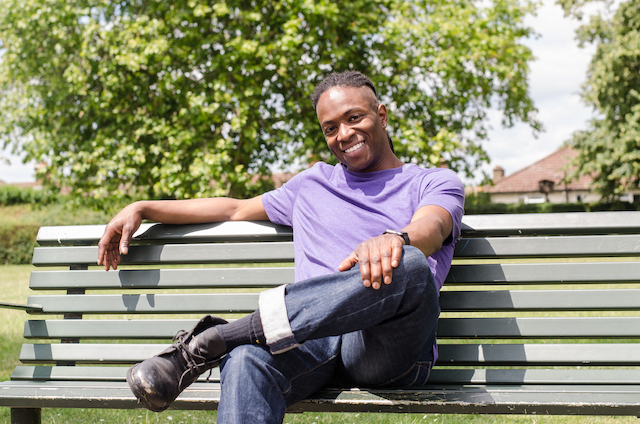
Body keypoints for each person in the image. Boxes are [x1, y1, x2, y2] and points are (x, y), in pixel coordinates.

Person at [97, 71, 465, 423]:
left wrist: (393, 240)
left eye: (354, 118)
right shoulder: (312, 184)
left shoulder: (433, 182)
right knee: (245, 360)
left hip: (385, 348)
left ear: (381, 116)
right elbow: (235, 208)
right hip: (309, 342)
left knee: (410, 262)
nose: (344, 133)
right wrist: (142, 208)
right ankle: (231, 343)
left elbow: (430, 227)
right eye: (331, 128)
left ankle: (218, 338)